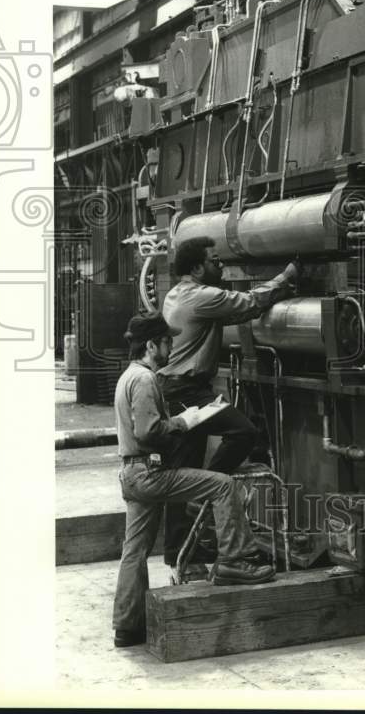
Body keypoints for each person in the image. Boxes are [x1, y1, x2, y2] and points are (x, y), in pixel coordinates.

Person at [112, 311, 275, 648]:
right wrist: (185, 422)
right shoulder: (144, 379)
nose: (171, 346)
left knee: (135, 550)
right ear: (151, 345)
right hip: (148, 473)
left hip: (132, 473)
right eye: (167, 341)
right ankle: (234, 561)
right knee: (222, 484)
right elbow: (148, 432)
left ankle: (127, 628)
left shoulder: (128, 376)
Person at [158, 235, 299, 576]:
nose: (219, 265)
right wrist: (287, 276)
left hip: (176, 389)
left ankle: (182, 555)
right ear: (196, 268)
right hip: (188, 392)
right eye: (213, 260)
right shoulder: (201, 297)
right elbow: (250, 303)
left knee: (181, 469)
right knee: (243, 431)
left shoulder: (177, 293)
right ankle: (205, 492)